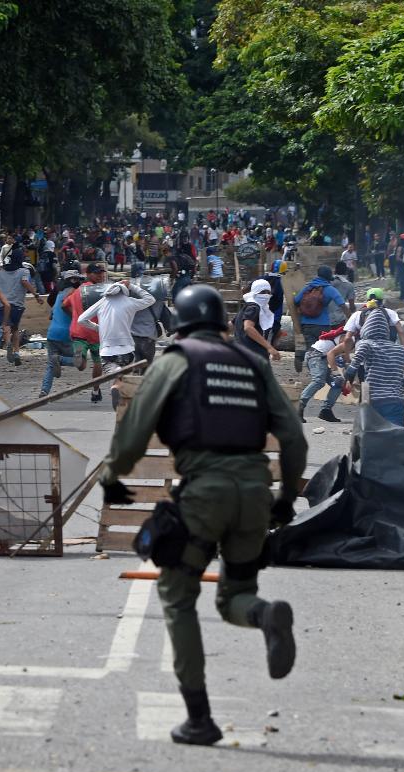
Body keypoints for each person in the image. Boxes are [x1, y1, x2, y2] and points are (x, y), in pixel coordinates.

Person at [98, 284, 307, 746]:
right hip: (255, 493)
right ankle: (265, 613)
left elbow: (136, 429)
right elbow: (294, 438)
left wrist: (113, 475)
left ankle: (199, 718)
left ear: (182, 323)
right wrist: (287, 497)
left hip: (203, 492)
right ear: (223, 324)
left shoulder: (175, 361)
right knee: (236, 594)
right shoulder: (254, 365)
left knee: (177, 596)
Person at [77, 281, 157, 409]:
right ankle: (126, 405)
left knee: (116, 377)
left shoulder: (102, 302)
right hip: (127, 349)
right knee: (124, 378)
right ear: (124, 291)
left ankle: (115, 388)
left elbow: (81, 319)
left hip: (106, 351)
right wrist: (132, 285)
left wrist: (98, 328)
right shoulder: (129, 301)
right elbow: (150, 299)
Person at [343, 307, 404, 427]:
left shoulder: (366, 345)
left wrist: (347, 379)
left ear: (366, 329)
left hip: (374, 401)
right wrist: (403, 384)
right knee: (395, 438)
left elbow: (353, 367)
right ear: (386, 331)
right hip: (396, 401)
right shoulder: (400, 349)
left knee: (373, 438)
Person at [292, 265, 346, 373]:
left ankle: (314, 374)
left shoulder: (308, 287)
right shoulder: (330, 289)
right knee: (324, 351)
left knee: (311, 351)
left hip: (306, 325)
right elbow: (342, 305)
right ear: (328, 278)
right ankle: (324, 375)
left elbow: (296, 300)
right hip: (323, 326)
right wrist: (351, 319)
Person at [66, 264, 107, 403]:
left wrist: (75, 316)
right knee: (98, 361)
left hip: (78, 330)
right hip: (95, 331)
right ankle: (95, 391)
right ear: (88, 274)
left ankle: (80, 355)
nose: (100, 276)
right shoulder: (102, 291)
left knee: (81, 366)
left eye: (102, 273)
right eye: (97, 273)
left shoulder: (78, 291)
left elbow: (63, 305)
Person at [39, 270, 82, 397]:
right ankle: (61, 359)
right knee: (81, 362)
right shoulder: (75, 294)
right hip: (66, 334)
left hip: (52, 334)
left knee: (51, 365)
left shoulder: (58, 295)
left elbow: (51, 316)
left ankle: (44, 390)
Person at [0, 257, 43, 366]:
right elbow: (25, 281)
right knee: (15, 329)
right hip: (17, 305)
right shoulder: (24, 271)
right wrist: (36, 295)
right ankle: (16, 353)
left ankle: (8, 344)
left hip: (2, 304)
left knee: (5, 326)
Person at [298, 326, 346, 423]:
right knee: (319, 381)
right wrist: (336, 372)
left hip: (321, 357)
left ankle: (326, 411)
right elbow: (331, 354)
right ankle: (298, 406)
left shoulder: (352, 337)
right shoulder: (350, 338)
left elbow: (343, 356)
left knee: (338, 384)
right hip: (316, 356)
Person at [233, 279, 281, 362]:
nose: (266, 295)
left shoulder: (247, 307)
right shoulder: (254, 308)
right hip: (252, 355)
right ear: (255, 292)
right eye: (262, 292)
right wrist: (269, 348)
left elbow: (231, 324)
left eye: (268, 292)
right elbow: (248, 328)